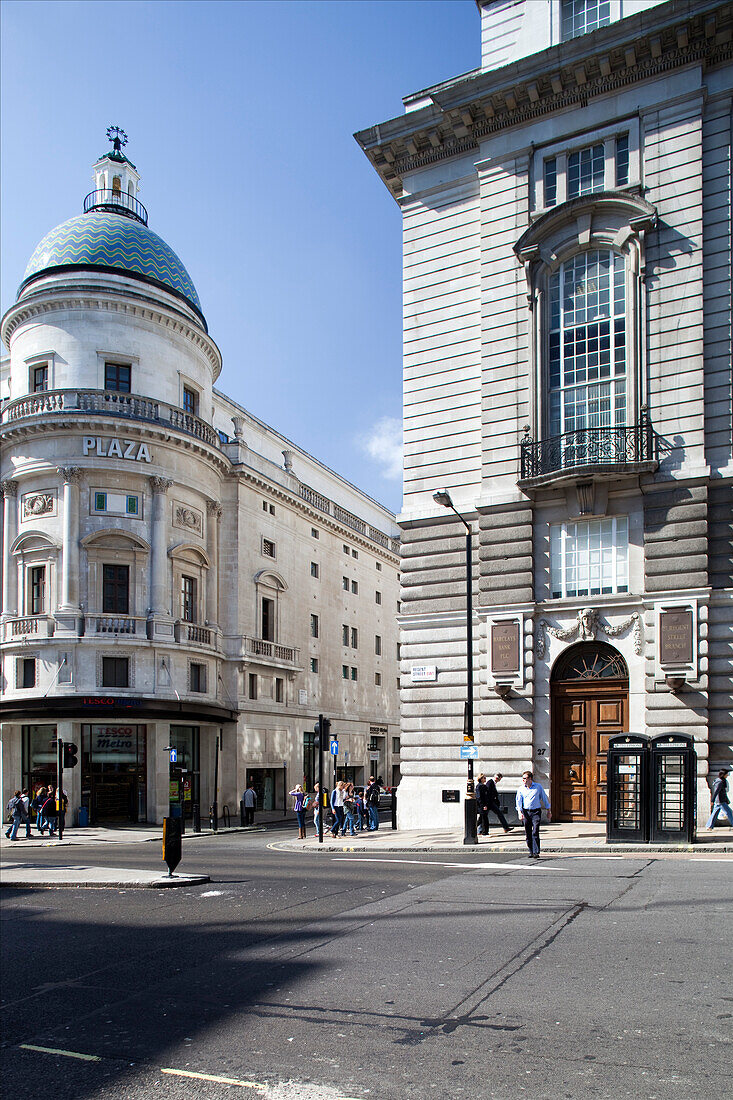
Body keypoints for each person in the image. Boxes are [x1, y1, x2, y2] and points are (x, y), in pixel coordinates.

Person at [515, 770, 550, 859]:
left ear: (530, 779)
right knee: (528, 832)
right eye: (523, 779)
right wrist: (519, 812)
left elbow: (544, 798)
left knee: (535, 831)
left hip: (536, 812)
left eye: (525, 778)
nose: (524, 780)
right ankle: (531, 851)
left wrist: (548, 810)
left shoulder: (538, 787)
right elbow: (518, 802)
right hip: (526, 812)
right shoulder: (521, 789)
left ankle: (536, 851)